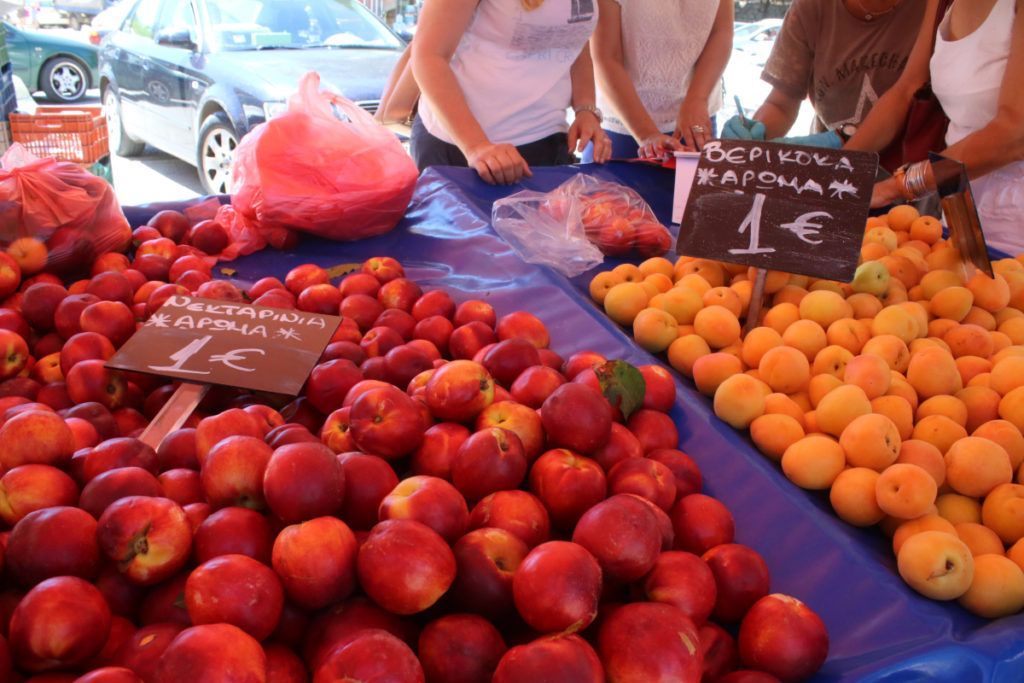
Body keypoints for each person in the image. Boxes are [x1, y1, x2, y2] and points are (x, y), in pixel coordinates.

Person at [849, 0, 1024, 256]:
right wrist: (835, 169)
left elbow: (1013, 135)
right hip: (959, 211)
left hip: (1015, 227)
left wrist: (895, 187)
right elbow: (906, 89)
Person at [410, 0, 612, 185]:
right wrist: (477, 146)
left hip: (547, 141)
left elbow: (575, 43)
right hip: (462, 147)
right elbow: (428, 57)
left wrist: (585, 109)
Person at [722, 0, 926, 156]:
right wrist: (754, 136)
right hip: (831, 173)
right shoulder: (811, 7)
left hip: (909, 172)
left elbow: (906, 92)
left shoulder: (933, 8)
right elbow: (781, 104)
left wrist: (841, 152)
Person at [589, 0, 733, 160]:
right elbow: (607, 57)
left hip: (696, 118)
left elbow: (721, 32)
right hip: (623, 122)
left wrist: (697, 98)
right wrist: (647, 135)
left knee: (695, 184)